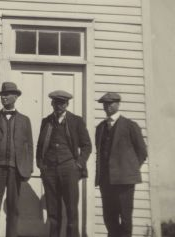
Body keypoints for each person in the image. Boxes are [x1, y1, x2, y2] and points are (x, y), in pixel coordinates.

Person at [0, 82, 33, 237]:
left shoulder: (24, 120)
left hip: (15, 169)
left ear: (15, 97)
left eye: (8, 94)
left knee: (13, 208)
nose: (4, 98)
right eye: (2, 95)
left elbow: (29, 146)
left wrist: (28, 168)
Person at [36, 90, 92, 237]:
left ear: (67, 104)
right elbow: (40, 146)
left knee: (72, 211)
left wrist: (79, 164)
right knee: (53, 212)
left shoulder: (76, 121)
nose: (59, 106)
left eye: (62, 103)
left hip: (70, 170)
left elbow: (87, 146)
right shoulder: (46, 121)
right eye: (56, 102)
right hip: (50, 172)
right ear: (52, 103)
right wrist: (41, 165)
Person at [96, 92, 147, 237]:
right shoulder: (100, 128)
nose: (107, 106)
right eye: (105, 104)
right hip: (106, 181)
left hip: (125, 181)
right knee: (109, 218)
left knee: (125, 218)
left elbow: (142, 152)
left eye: (110, 103)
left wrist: (129, 169)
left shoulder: (130, 125)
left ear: (118, 104)